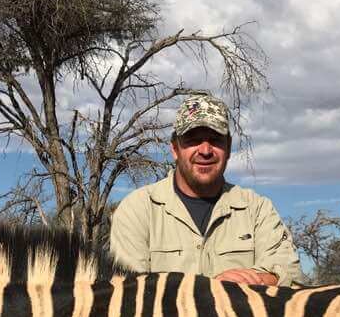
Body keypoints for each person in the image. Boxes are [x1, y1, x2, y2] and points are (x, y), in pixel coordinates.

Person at [110, 94, 304, 287]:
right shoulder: (137, 209)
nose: (205, 150)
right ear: (175, 149)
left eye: (215, 139)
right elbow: (129, 292)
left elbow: (291, 273)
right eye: (192, 140)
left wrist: (256, 281)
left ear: (228, 148)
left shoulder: (257, 209)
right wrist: (212, 293)